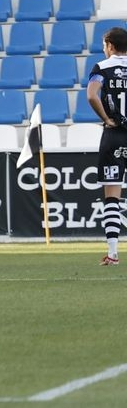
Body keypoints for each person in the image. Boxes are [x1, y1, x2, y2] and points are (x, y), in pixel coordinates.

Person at [86, 26, 127, 266]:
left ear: (110, 45)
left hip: (115, 137)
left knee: (112, 196)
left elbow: (92, 95)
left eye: (104, 45)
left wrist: (107, 119)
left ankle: (113, 254)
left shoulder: (102, 67)